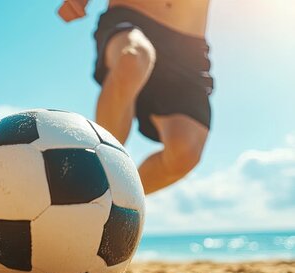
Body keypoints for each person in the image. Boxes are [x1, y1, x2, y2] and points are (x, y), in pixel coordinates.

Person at [58, 0, 214, 194]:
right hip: (132, 16)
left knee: (184, 154)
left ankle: (121, 200)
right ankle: (96, 177)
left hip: (189, 46)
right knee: (133, 58)